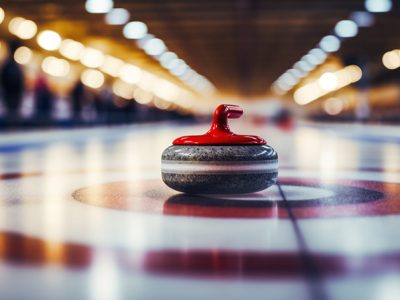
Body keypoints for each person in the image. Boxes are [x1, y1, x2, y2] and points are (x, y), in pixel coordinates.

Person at [0, 40, 25, 120]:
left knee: (13, 112)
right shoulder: (10, 65)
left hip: (13, 94)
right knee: (11, 112)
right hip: (11, 94)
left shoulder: (11, 65)